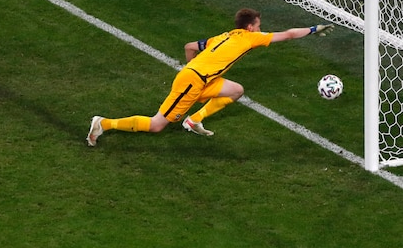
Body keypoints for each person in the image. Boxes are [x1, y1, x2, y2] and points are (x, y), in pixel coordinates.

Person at [86, 8, 333, 146]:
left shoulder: (224, 36)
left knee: (236, 90)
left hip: (199, 79)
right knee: (157, 125)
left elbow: (190, 46)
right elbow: (289, 34)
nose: (260, 29)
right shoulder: (251, 38)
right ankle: (103, 123)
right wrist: (313, 29)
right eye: (258, 25)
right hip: (192, 81)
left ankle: (193, 121)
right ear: (250, 27)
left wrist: (194, 69)